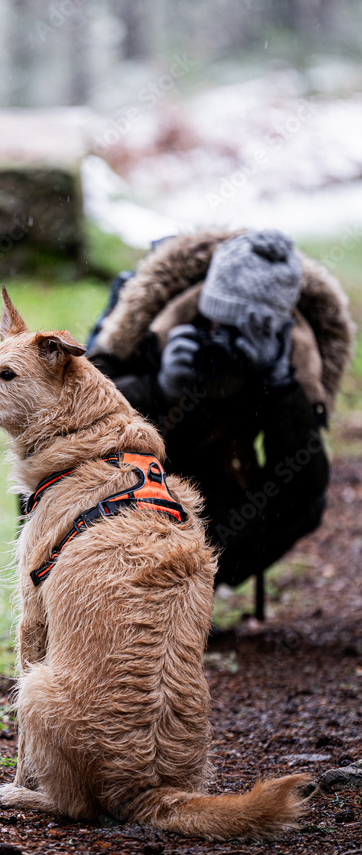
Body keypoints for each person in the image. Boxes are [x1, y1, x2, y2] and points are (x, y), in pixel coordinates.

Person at [87, 229, 354, 614]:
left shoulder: (293, 353)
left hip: (217, 482)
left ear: (273, 329)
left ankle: (190, 594)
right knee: (55, 460)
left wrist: (281, 387)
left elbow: (302, 484)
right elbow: (83, 420)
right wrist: (158, 385)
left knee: (304, 504)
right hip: (137, 475)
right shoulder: (150, 318)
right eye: (215, 324)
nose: (219, 342)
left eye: (237, 334)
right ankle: (86, 596)